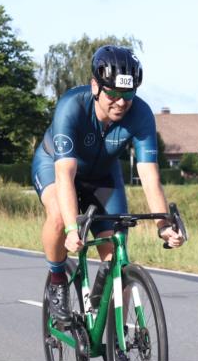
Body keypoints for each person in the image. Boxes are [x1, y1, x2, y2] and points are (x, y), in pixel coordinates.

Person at [32, 45, 184, 322]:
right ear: (95, 86)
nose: (121, 102)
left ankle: (119, 344)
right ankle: (57, 279)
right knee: (57, 218)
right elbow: (65, 174)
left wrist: (163, 225)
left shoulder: (140, 114)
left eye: (128, 94)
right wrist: (70, 228)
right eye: (113, 93)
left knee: (116, 259)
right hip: (56, 166)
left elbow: (150, 176)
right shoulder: (72, 106)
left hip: (103, 176)